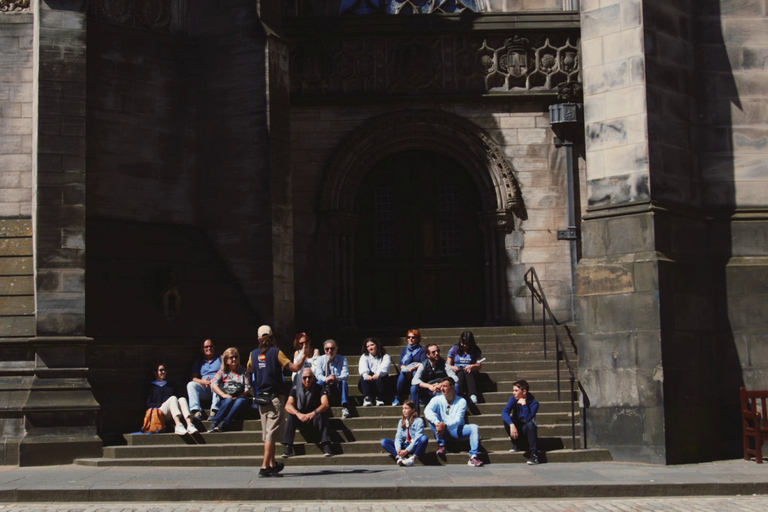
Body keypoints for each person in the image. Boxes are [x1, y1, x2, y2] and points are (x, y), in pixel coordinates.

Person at [248, 325, 305, 478]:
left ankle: (272, 464)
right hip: (274, 398)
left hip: (261, 398)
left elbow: (249, 369)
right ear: (272, 337)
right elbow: (294, 367)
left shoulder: (252, 354)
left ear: (258, 338)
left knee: (267, 433)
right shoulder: (276, 353)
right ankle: (264, 466)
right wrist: (304, 356)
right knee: (271, 436)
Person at [424, 377, 483, 467]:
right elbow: (427, 411)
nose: (442, 389)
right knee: (432, 418)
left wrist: (446, 425)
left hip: (456, 430)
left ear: (452, 387)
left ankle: (473, 456)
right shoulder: (437, 399)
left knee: (474, 427)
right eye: (441, 386)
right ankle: (442, 445)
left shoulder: (461, 401)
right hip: (442, 430)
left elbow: (458, 420)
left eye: (445, 386)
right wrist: (437, 423)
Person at [282, 367, 333, 458]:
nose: (307, 380)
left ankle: (326, 445)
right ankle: (288, 446)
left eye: (309, 377)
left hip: (315, 419)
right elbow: (288, 405)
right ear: (301, 379)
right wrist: (298, 414)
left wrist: (313, 413)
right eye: (304, 378)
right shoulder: (295, 389)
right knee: (291, 415)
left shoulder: (319, 388)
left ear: (313, 378)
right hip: (301, 419)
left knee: (323, 413)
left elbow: (325, 404)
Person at [208, 347, 252, 433]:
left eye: (236, 357)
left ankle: (225, 423)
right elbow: (214, 384)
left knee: (240, 401)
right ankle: (215, 422)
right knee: (228, 400)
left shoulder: (244, 372)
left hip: (241, 398)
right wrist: (223, 395)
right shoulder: (222, 371)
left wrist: (240, 396)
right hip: (227, 397)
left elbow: (247, 387)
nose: (234, 359)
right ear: (226, 360)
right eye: (231, 357)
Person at [146, 363, 198, 436]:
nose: (163, 372)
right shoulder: (151, 386)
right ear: (155, 372)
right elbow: (148, 403)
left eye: (165, 370)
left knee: (182, 399)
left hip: (172, 412)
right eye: (161, 370)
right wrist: (160, 404)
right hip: (160, 412)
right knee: (173, 398)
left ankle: (189, 424)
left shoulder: (170, 385)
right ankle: (178, 425)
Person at [502, 379, 540, 465]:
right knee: (507, 420)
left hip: (527, 431)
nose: (513, 393)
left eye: (516, 391)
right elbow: (504, 412)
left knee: (531, 424)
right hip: (517, 428)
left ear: (524, 391)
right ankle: (516, 444)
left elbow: (528, 419)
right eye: (513, 390)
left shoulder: (534, 403)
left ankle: (534, 455)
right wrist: (511, 425)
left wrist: (524, 405)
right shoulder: (513, 399)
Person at [380, 399, 428, 466]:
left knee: (424, 438)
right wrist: (399, 450)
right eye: (403, 409)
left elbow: (417, 438)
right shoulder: (401, 421)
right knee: (384, 442)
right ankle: (399, 457)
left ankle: (413, 458)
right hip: (405, 444)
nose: (404, 411)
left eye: (406, 408)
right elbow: (398, 437)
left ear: (413, 410)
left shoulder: (419, 421)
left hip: (414, 446)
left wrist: (407, 450)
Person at [410, 343, 458, 410]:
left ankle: (452, 408)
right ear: (428, 355)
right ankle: (415, 415)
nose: (437, 353)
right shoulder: (423, 365)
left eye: (438, 351)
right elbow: (414, 381)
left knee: (456, 386)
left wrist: (441, 384)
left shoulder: (444, 364)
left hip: (442, 391)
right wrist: (429, 386)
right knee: (413, 388)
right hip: (428, 391)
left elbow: (455, 378)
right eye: (433, 352)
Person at [313, 339, 351, 418]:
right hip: (325, 383)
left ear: (336, 349)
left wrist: (336, 378)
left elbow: (345, 374)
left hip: (337, 384)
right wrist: (326, 379)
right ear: (324, 350)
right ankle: (316, 405)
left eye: (332, 348)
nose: (329, 351)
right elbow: (318, 374)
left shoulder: (343, 359)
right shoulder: (320, 359)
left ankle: (345, 407)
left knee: (343, 382)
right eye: (327, 349)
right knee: (318, 383)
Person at [186, 339, 222, 420]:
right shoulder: (199, 362)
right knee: (191, 384)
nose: (209, 348)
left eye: (210, 346)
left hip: (217, 388)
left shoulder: (221, 359)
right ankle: (196, 411)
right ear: (202, 349)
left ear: (214, 347)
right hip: (205, 388)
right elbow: (193, 378)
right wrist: (203, 382)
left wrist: (215, 380)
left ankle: (214, 411)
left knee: (217, 384)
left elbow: (227, 374)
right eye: (206, 347)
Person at [447, 331, 483, 404]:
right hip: (458, 370)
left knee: (469, 373)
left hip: (471, 371)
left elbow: (479, 365)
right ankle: (457, 393)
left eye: (467, 344)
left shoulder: (475, 350)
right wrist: (453, 367)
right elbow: (448, 364)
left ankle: (473, 395)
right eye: (463, 343)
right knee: (460, 374)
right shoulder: (455, 349)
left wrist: (472, 366)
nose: (464, 345)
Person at [393, 329, 426, 406]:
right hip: (406, 370)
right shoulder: (404, 350)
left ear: (418, 339)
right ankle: (397, 396)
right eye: (409, 337)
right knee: (401, 375)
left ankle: (418, 396)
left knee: (415, 374)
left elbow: (423, 362)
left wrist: (413, 368)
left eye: (413, 337)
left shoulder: (422, 350)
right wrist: (405, 368)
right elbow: (401, 363)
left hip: (417, 370)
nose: (410, 339)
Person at [358, 337, 392, 406]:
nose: (370, 347)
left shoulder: (385, 356)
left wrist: (378, 374)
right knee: (364, 376)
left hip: (381, 381)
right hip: (370, 382)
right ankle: (367, 398)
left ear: (377, 345)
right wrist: (366, 375)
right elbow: (362, 367)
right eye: (368, 346)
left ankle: (379, 398)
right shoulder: (364, 356)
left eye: (372, 345)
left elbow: (385, 368)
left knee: (380, 376)